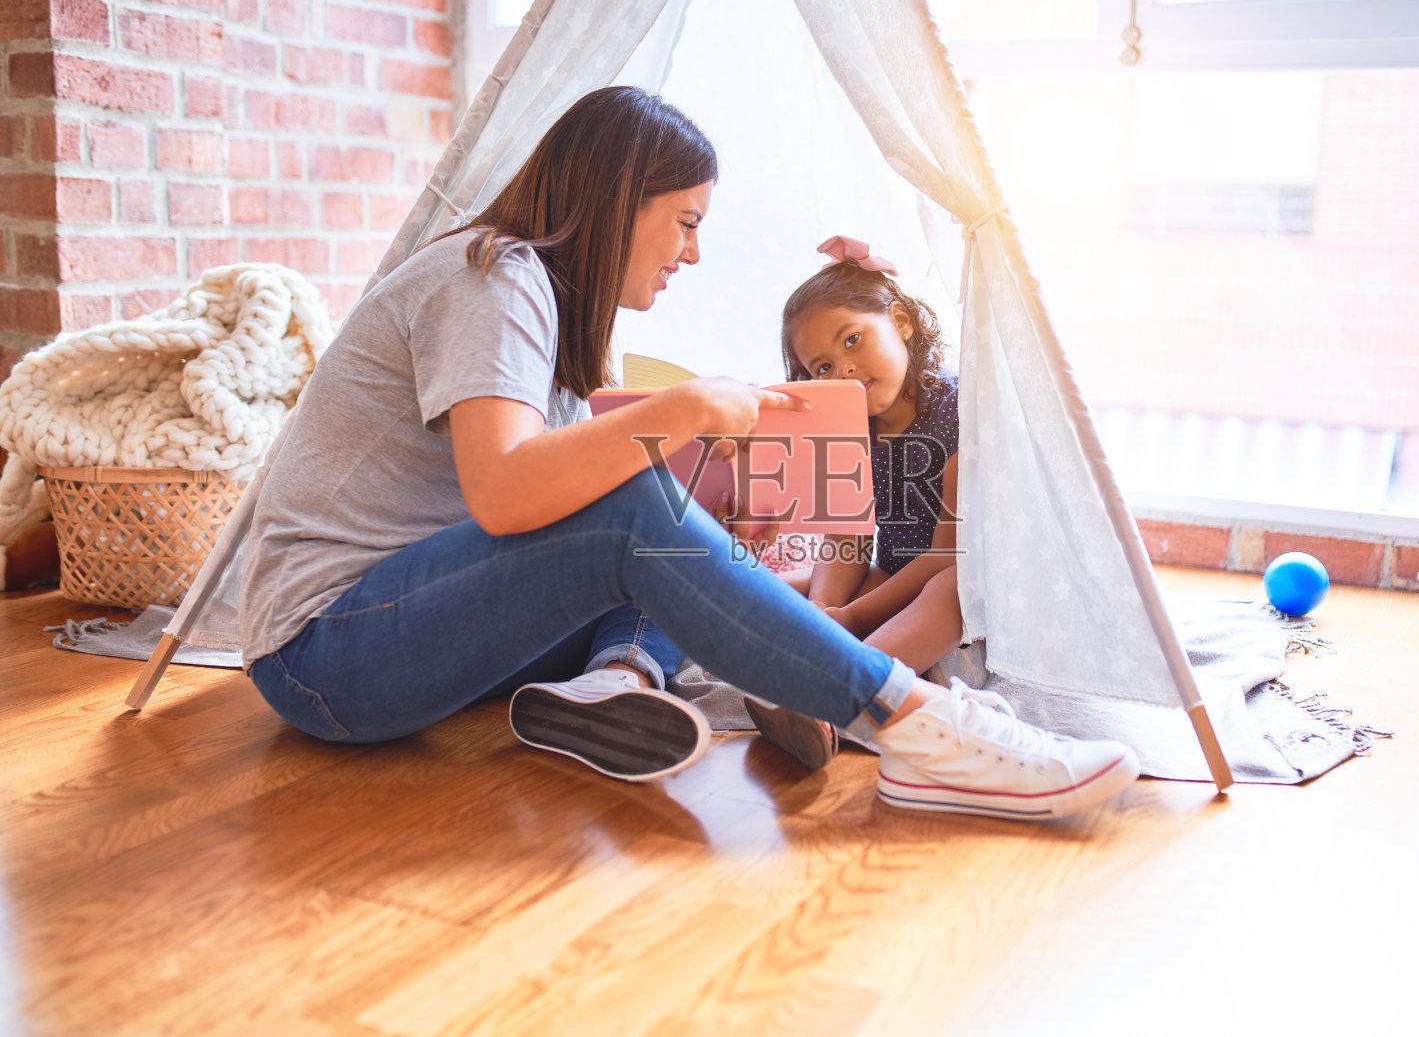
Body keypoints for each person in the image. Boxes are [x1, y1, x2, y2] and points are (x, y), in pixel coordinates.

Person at [237, 85, 1138, 821]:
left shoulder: (544, 315)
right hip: (328, 653)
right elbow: (507, 496)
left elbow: (548, 513)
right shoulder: (496, 275)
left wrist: (707, 524)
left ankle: (616, 680)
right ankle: (920, 726)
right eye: (685, 220)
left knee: (672, 515)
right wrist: (685, 406)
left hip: (410, 628)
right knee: (644, 511)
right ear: (618, 199)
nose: (694, 253)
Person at [741, 239, 966, 770]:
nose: (842, 370)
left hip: (952, 579)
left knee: (953, 589)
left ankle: (840, 695)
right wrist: (824, 611)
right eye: (821, 367)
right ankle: (799, 661)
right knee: (770, 592)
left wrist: (851, 616)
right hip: (890, 577)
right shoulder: (849, 430)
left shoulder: (956, 409)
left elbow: (945, 553)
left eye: (853, 340)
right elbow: (847, 538)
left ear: (902, 322)